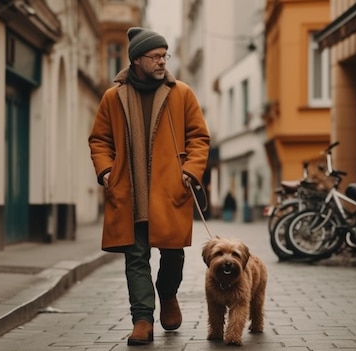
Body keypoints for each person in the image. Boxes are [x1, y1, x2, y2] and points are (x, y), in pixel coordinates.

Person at [88, 27, 210, 346]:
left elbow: (199, 137)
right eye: (155, 56)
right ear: (136, 59)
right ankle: (142, 319)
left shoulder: (181, 92)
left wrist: (191, 170)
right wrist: (105, 172)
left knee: (173, 255)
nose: (161, 62)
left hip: (170, 189)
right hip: (129, 192)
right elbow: (99, 140)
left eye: (164, 55)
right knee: (136, 256)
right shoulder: (113, 97)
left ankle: (168, 294)